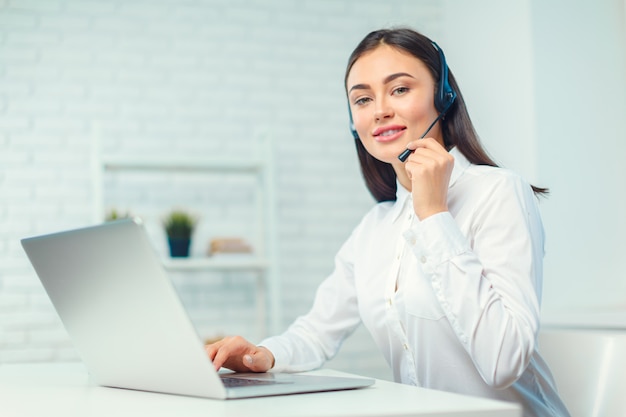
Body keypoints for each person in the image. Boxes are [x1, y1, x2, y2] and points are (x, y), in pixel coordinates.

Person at [206, 27, 570, 417]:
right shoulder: (374, 228)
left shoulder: (497, 192)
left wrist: (434, 216)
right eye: (362, 99)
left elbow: (503, 361)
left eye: (399, 89)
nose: (379, 110)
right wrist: (264, 355)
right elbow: (316, 331)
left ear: (443, 97)